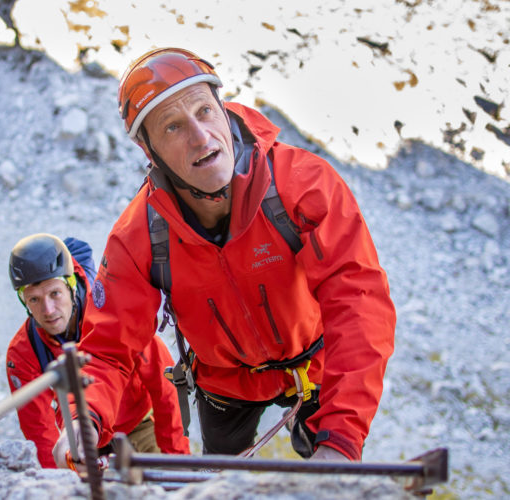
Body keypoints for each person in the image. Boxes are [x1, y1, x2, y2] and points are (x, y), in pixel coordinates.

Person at [53, 47, 396, 465]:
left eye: (204, 111)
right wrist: (83, 420)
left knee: (328, 456)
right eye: (173, 127)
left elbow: (358, 303)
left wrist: (341, 439)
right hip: (226, 383)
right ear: (150, 151)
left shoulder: (302, 185)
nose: (200, 137)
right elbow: (108, 348)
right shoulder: (139, 236)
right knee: (221, 474)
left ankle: (312, 433)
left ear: (223, 107)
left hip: (315, 363)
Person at [5, 233, 189, 468]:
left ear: (71, 286)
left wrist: (177, 459)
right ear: (24, 302)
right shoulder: (24, 352)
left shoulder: (111, 314)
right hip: (81, 436)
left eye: (54, 294)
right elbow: (38, 428)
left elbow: (164, 387)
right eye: (34, 300)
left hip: (138, 425)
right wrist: (60, 480)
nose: (48, 310)